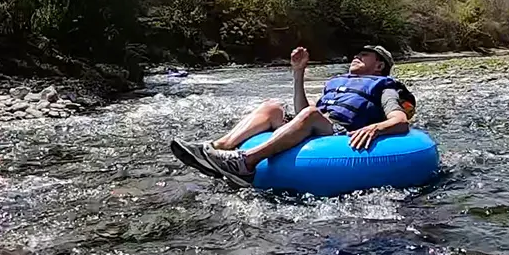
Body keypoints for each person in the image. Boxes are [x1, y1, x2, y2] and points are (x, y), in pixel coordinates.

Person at [170, 45, 416, 188]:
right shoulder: (338, 82)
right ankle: (217, 150)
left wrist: (375, 128)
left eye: (364, 55)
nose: (356, 56)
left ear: (380, 65)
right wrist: (299, 73)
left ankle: (245, 163)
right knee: (273, 106)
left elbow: (399, 120)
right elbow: (302, 113)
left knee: (310, 114)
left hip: (340, 133)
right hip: (318, 123)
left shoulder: (384, 87)